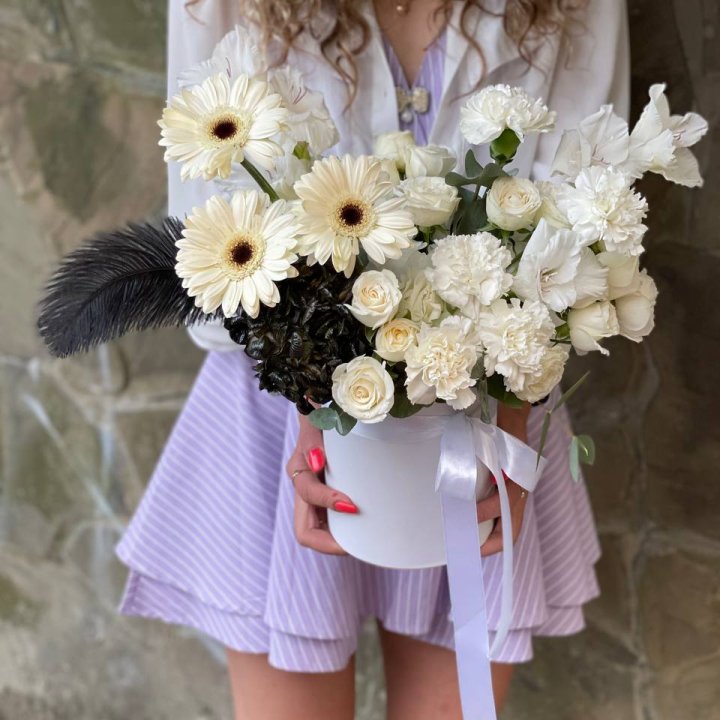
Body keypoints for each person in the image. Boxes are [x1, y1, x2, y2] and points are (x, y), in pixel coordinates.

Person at [114, 1, 629, 718]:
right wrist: (311, 394)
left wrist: (508, 424)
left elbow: (589, 206)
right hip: (281, 408)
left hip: (488, 403)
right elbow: (209, 224)